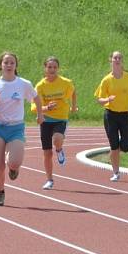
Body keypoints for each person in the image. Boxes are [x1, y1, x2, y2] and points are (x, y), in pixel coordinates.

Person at [0, 52, 43, 206]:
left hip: (16, 127)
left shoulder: (23, 84)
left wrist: (40, 115)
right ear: (0, 65)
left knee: (14, 162)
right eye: (6, 62)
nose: (9, 65)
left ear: (16, 66)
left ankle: (13, 168)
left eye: (12, 63)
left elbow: (36, 98)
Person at [31, 56, 77, 190]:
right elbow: (34, 108)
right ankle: (49, 180)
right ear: (45, 68)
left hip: (60, 118)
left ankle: (59, 149)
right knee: (47, 153)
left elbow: (73, 92)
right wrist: (46, 108)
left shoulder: (65, 82)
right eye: (49, 67)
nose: (52, 69)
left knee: (57, 139)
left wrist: (73, 106)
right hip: (45, 120)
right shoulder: (40, 86)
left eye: (55, 67)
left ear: (58, 68)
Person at [94, 51, 128, 182]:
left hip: (125, 114)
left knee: (126, 147)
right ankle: (116, 172)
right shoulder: (106, 80)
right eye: (115, 58)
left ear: (122, 61)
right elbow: (99, 99)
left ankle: (114, 153)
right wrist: (108, 99)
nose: (117, 60)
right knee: (114, 145)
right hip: (111, 115)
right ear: (111, 60)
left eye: (119, 58)